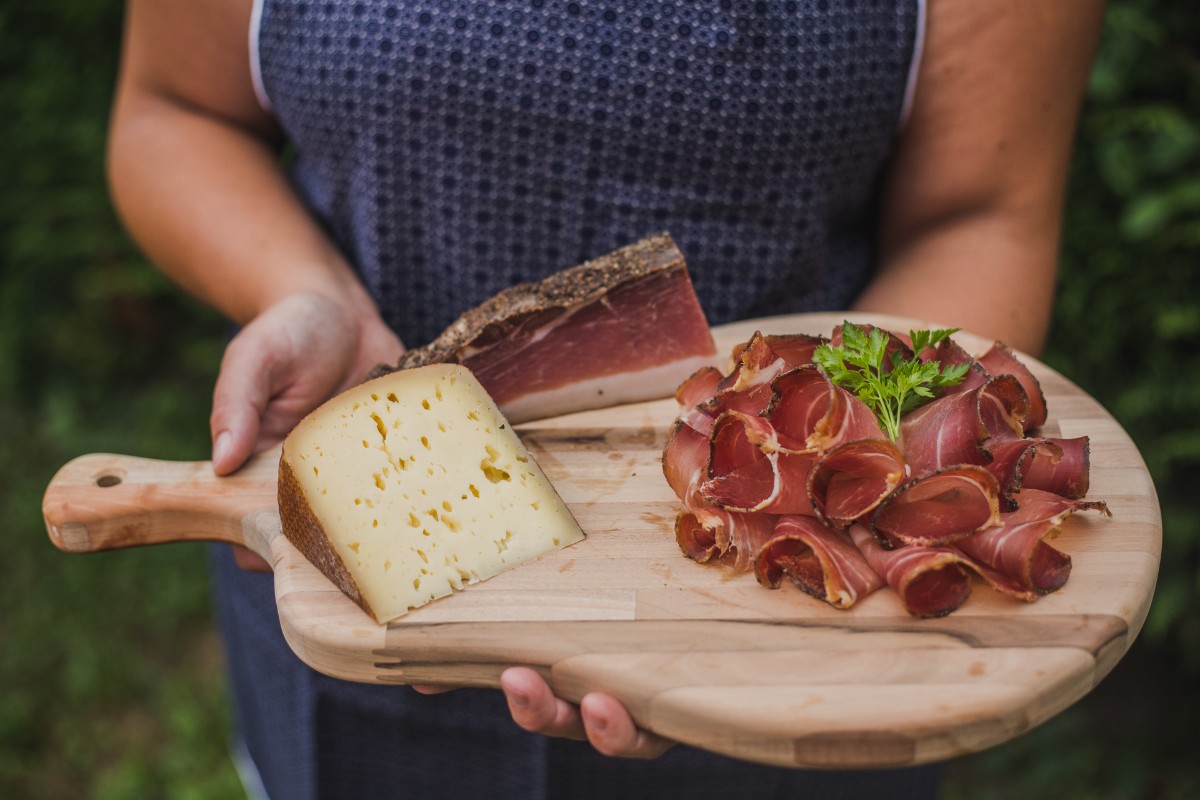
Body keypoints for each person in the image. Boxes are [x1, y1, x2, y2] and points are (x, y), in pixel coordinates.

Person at [107, 0, 1105, 796]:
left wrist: (862, 468)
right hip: (361, 594)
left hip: (795, 641)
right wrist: (304, 290)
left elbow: (982, 213)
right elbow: (174, 111)